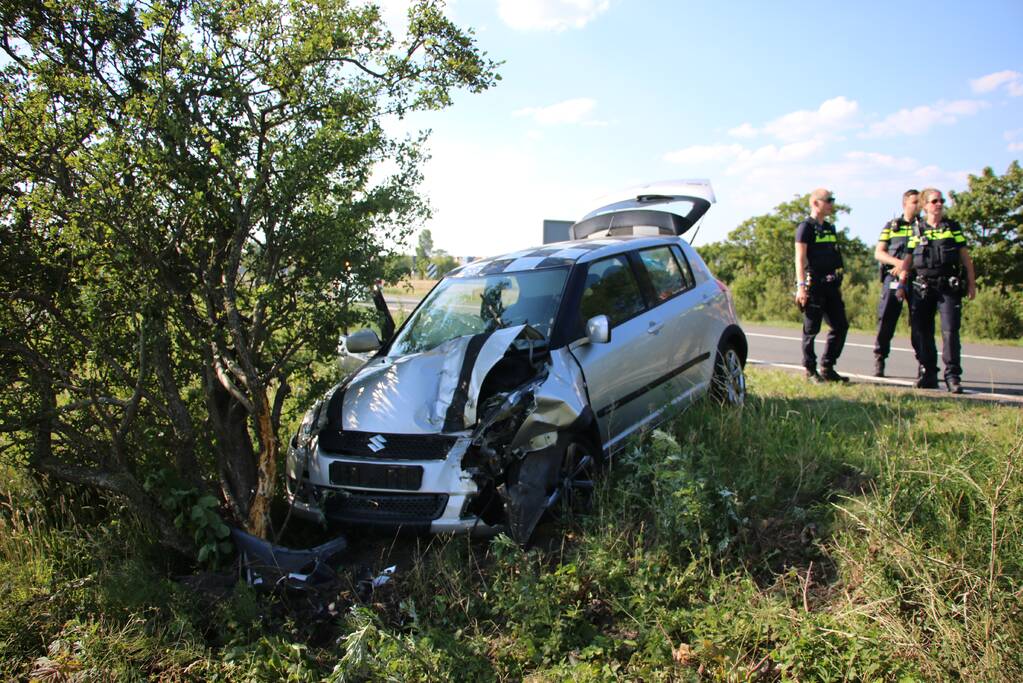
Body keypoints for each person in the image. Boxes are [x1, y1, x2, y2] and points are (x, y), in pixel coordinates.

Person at [901, 188, 977, 393]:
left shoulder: (952, 227)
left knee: (950, 331)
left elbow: (965, 257)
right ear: (925, 205)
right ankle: (928, 373)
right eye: (934, 201)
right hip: (923, 287)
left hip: (947, 286)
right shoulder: (916, 229)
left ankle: (952, 376)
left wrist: (971, 282)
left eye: (941, 201)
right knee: (921, 332)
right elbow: (908, 260)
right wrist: (901, 284)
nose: (939, 204)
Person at [795, 188, 849, 383]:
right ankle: (810, 369)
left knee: (840, 325)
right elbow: (799, 259)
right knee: (811, 329)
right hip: (813, 285)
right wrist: (801, 287)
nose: (831, 204)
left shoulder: (828, 228)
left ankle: (827, 366)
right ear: (816, 203)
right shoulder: (805, 227)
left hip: (831, 286)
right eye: (829, 200)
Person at [871, 189, 919, 377]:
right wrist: (899, 264)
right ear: (905, 204)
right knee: (886, 320)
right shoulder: (892, 226)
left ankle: (923, 365)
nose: (918, 206)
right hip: (893, 277)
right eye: (914, 202)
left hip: (916, 278)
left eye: (920, 202)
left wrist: (907, 266)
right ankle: (880, 359)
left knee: (919, 323)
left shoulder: (924, 226)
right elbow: (879, 253)